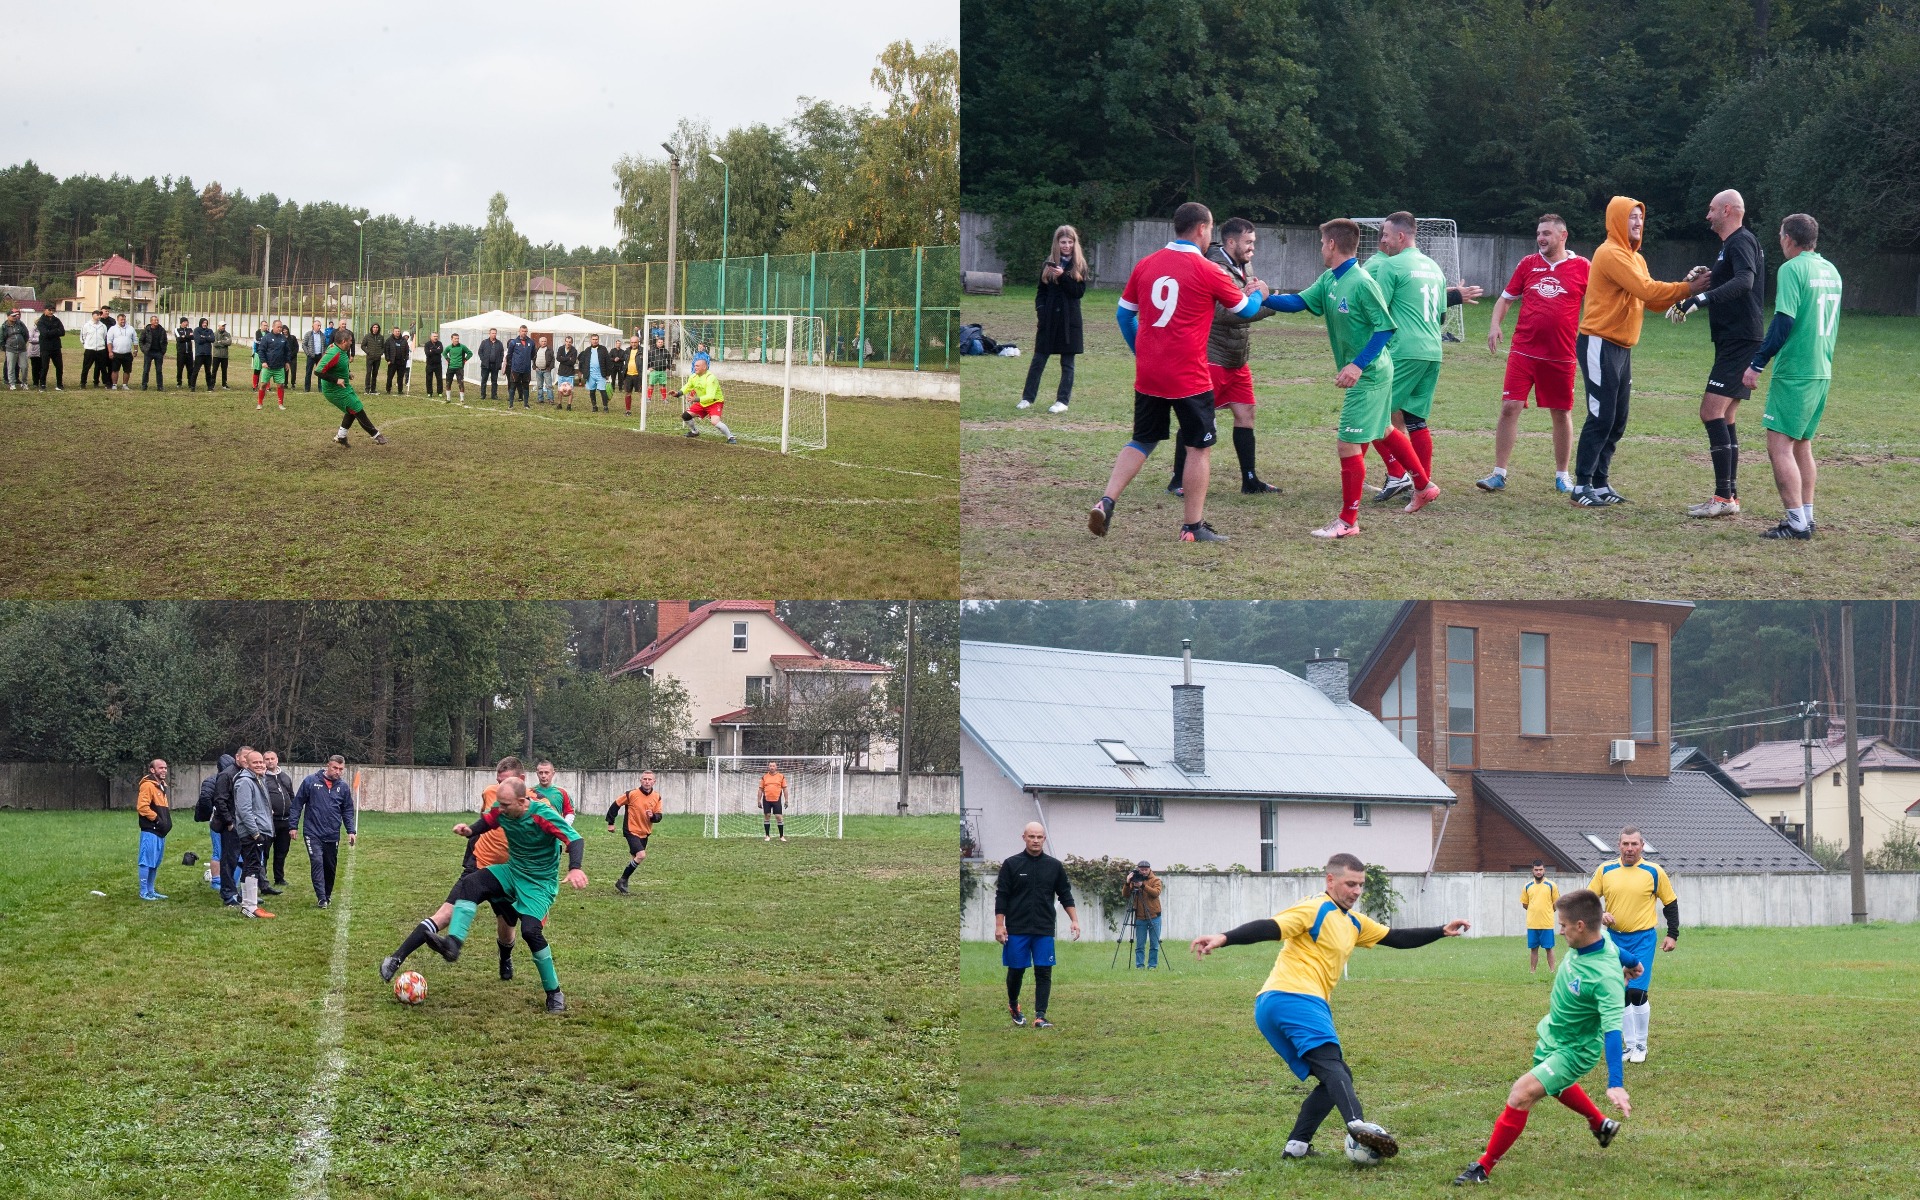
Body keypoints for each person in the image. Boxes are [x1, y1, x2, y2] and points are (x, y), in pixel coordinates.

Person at [1190, 852, 1469, 1162]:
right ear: (1331, 880)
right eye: (1351, 883)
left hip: (1276, 1004)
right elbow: (1270, 927)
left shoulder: (1352, 921)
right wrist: (1224, 937)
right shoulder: (1315, 908)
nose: (1357, 891)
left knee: (1334, 1076)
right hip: (1295, 998)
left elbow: (1396, 937)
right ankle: (1358, 1125)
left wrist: (1440, 930)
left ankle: (1297, 1145)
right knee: (1333, 1066)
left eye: (1361, 885)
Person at [1089, 201, 1269, 544]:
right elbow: (1245, 310)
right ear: (1202, 228)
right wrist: (1259, 294)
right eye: (1211, 230)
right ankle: (1192, 527)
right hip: (1189, 375)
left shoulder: (1146, 264)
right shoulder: (1208, 269)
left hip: (1150, 374)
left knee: (1143, 439)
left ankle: (1106, 500)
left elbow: (1124, 316)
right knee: (1198, 447)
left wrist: (1140, 351)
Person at [1262, 219, 1438, 538]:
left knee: (1347, 442)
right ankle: (1424, 486)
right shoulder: (1330, 279)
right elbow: (1300, 301)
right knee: (1384, 429)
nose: (1320, 248)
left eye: (1321, 243)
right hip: (1374, 372)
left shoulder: (1361, 281)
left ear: (1331, 244)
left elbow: (1385, 328)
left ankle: (1348, 521)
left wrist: (1356, 365)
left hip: (1370, 373)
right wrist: (1265, 298)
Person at [1452, 888, 1637, 1185]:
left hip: (1575, 1049)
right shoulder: (1600, 941)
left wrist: (1615, 1083)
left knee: (1522, 1093)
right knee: (1554, 1085)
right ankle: (1599, 1123)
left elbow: (1614, 1030)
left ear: (1580, 926)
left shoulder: (1605, 978)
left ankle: (1483, 1168)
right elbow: (1619, 950)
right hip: (1554, 1034)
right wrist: (1634, 962)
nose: (1559, 930)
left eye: (1563, 925)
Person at [378, 777, 586, 1013]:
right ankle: (453, 945)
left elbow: (575, 839)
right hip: (512, 871)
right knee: (472, 883)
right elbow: (488, 820)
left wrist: (575, 867)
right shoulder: (502, 809)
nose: (501, 809)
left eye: (506, 805)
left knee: (530, 932)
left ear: (522, 801)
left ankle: (554, 992)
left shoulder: (543, 815)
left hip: (539, 883)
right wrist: (470, 830)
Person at [1571, 197, 1710, 507]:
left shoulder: (1637, 259)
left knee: (1618, 418)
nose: (1637, 223)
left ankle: (1600, 482)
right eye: (1631, 217)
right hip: (1599, 342)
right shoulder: (1610, 253)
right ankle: (1581, 486)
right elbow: (1648, 290)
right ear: (1617, 220)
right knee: (1601, 415)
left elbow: (1654, 301)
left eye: (1640, 218)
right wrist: (1689, 288)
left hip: (1621, 348)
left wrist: (1685, 287)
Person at [1363, 212, 1483, 501]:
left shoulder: (1391, 266)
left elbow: (1378, 310)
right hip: (1433, 351)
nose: (1383, 241)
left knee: (1375, 416)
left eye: (1387, 236)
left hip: (1405, 349)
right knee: (1415, 419)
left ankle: (1401, 476)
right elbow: (1441, 316)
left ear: (1401, 237)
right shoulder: (1434, 267)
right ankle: (1420, 483)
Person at [1666, 190, 1766, 519]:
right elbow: (1733, 280)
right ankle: (1729, 496)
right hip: (1734, 338)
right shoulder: (1731, 245)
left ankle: (1723, 497)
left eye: (1711, 210)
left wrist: (1700, 300)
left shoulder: (1740, 241)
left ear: (1727, 210)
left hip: (1740, 339)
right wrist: (1706, 280)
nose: (1707, 216)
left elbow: (1745, 281)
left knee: (1710, 412)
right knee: (1726, 416)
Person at [1743, 213, 1842, 541]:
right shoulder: (1831, 270)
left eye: (1781, 235)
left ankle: (1796, 523)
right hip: (1821, 370)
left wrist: (1757, 363)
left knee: (1779, 446)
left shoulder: (1791, 269)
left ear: (1788, 238)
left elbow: (1783, 321)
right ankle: (1807, 517)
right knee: (1802, 445)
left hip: (1795, 372)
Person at [1168, 217, 1280, 497]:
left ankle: (1250, 480)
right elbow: (1224, 314)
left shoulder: (1242, 264)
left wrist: (1260, 298)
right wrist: (1268, 303)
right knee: (1198, 419)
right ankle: (1177, 480)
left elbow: (1247, 297)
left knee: (1246, 414)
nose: (1253, 247)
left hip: (1237, 358)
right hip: (1213, 356)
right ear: (1231, 242)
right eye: (1248, 242)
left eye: (1254, 242)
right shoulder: (1215, 267)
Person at [1589, 826, 1677, 1063]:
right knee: (1621, 993)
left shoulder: (1654, 871)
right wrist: (1601, 914)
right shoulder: (1605, 870)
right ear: (1619, 845)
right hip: (1615, 940)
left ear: (1642, 845)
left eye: (1634, 844)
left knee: (1637, 991)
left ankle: (1642, 1044)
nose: (1630, 849)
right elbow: (1587, 901)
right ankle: (1629, 1045)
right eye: (1625, 844)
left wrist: (1672, 934)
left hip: (1644, 939)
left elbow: (1670, 904)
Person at [994, 822, 1079, 1029]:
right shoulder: (1011, 864)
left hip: (1043, 928)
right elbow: (1002, 896)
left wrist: (1074, 920)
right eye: (1031, 836)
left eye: (1039, 837)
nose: (1035, 840)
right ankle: (1014, 1005)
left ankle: (1040, 1016)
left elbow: (1065, 895)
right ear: (1024, 837)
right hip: (1017, 928)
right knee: (1016, 971)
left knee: (1043, 971)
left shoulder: (1054, 866)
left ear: (1044, 839)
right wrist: (999, 925)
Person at [1019, 224, 1087, 413]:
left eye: (1070, 242)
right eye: (1063, 242)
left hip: (1069, 322)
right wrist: (1041, 311)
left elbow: (1078, 293)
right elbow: (1041, 292)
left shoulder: (1079, 265)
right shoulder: (1047, 264)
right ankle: (1027, 398)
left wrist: (1063, 276)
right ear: (1057, 243)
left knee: (1067, 363)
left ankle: (1062, 401)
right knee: (1038, 360)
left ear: (1074, 244)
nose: (1066, 246)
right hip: (1048, 321)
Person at [292, 754, 358, 908]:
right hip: (312, 832)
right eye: (335, 768)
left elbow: (347, 810)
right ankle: (321, 897)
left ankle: (327, 895)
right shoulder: (310, 781)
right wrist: (293, 826)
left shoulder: (343, 787)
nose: (338, 771)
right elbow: (297, 804)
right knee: (317, 862)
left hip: (332, 833)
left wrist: (351, 830)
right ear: (328, 765)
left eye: (341, 769)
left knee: (330, 865)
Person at [314, 327, 388, 446]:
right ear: (344, 341)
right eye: (350, 341)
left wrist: (347, 373)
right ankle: (376, 435)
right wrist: (336, 380)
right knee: (356, 408)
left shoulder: (340, 349)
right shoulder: (334, 352)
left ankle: (341, 436)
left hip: (344, 387)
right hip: (334, 390)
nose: (352, 343)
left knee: (352, 409)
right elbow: (318, 371)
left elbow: (336, 365)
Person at [232, 749, 277, 919]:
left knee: (252, 866)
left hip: (260, 831)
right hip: (252, 833)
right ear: (247, 764)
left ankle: (248, 905)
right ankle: (250, 906)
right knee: (252, 867)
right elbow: (244, 810)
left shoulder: (259, 779)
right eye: (255, 762)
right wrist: (256, 833)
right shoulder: (245, 782)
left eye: (261, 762)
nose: (259, 764)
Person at [605, 770, 665, 894]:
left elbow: (659, 816)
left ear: (654, 782)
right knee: (641, 855)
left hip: (645, 832)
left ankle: (623, 881)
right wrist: (611, 823)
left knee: (636, 858)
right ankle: (622, 880)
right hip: (631, 830)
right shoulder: (631, 794)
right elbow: (615, 805)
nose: (647, 781)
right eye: (645, 779)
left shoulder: (657, 797)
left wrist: (652, 816)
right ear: (640, 780)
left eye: (649, 779)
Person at [679, 352, 738, 442]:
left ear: (704, 367)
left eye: (697, 366)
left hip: (715, 402)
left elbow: (711, 396)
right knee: (686, 416)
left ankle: (730, 437)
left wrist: (695, 399)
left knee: (715, 422)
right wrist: (678, 393)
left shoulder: (711, 378)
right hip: (703, 402)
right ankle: (694, 432)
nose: (695, 367)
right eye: (695, 366)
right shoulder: (693, 377)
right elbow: (687, 387)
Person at [135, 758, 172, 901]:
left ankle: (151, 890)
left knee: (155, 862)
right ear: (152, 770)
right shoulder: (147, 786)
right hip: (151, 830)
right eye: (160, 768)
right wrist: (157, 820)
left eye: (165, 768)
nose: (164, 770)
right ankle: (143, 892)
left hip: (160, 832)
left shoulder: (161, 786)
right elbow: (142, 807)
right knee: (146, 861)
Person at [261, 750, 296, 892]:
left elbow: (292, 797)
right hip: (269, 822)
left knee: (282, 851)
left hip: (285, 821)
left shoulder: (285, 777)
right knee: (265, 851)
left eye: (272, 758)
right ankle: (262, 879)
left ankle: (279, 878)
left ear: (277, 760)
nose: (270, 761)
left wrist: (293, 813)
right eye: (267, 759)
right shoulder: (262, 778)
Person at [1122, 860, 1163, 968]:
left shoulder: (1156, 880)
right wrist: (1127, 882)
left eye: (1146, 869)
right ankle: (1139, 966)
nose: (1144, 872)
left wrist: (1142, 886)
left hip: (1154, 916)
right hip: (1140, 917)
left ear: (1149, 869)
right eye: (1141, 870)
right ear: (1138, 869)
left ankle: (1152, 966)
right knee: (1140, 944)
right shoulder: (1134, 880)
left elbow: (1156, 893)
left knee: (1154, 944)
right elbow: (1125, 895)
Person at [1522, 861, 1558, 972]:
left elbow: (1556, 903)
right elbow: (1525, 904)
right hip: (1532, 923)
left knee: (1549, 948)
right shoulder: (1527, 886)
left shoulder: (1551, 885)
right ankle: (1532, 971)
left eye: (1540, 869)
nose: (1538, 872)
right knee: (1533, 949)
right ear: (1532, 871)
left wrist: (1546, 912)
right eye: (1536, 870)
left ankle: (1552, 971)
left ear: (1544, 870)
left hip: (1547, 923)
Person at [257, 320, 294, 411]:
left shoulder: (283, 338)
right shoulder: (267, 337)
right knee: (263, 385)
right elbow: (261, 350)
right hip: (268, 367)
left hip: (279, 367)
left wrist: (287, 362)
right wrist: (263, 362)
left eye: (281, 327)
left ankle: (280, 404)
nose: (280, 329)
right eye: (278, 327)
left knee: (280, 385)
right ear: (273, 327)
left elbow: (287, 352)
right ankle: (260, 403)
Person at [531, 759, 576, 824]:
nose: (543, 776)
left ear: (553, 774)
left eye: (546, 772)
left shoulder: (562, 792)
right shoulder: (530, 792)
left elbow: (570, 812)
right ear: (537, 774)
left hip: (555, 832)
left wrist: (563, 827)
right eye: (540, 773)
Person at [77, 309, 109, 388]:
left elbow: (105, 336)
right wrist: (87, 345)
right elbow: (83, 337)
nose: (99, 316)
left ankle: (103, 383)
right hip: (90, 349)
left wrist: (101, 345)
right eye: (97, 315)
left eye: (100, 315)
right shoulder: (86, 325)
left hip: (101, 349)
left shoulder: (103, 326)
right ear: (93, 315)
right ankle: (83, 383)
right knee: (86, 367)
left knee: (102, 367)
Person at [35, 308, 65, 390]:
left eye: (53, 310)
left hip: (56, 347)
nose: (51, 312)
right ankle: (42, 384)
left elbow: (62, 332)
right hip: (45, 347)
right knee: (45, 367)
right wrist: (56, 330)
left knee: (59, 366)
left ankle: (59, 384)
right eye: (49, 310)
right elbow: (45, 334)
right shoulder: (41, 321)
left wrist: (50, 331)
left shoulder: (57, 320)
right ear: (45, 310)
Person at [757, 761, 788, 841]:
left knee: (779, 817)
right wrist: (759, 800)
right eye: (770, 766)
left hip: (776, 799)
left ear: (776, 767)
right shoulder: (764, 777)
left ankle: (781, 836)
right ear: (768, 767)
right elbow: (760, 789)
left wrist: (786, 800)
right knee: (767, 816)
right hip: (766, 799)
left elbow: (785, 789)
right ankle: (767, 836)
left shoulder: (781, 776)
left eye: (773, 766)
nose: (772, 767)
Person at [582, 332, 612, 413]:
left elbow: (608, 362)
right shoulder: (587, 350)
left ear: (598, 340)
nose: (595, 341)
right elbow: (583, 361)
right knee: (592, 391)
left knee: (603, 391)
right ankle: (594, 406)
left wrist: (607, 374)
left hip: (601, 374)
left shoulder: (603, 349)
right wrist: (584, 373)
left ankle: (605, 407)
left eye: (596, 339)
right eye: (593, 339)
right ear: (590, 340)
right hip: (590, 375)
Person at [506, 325, 535, 406]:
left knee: (526, 386)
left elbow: (533, 354)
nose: (524, 333)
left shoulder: (531, 342)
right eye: (523, 331)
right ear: (519, 331)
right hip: (516, 369)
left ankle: (526, 404)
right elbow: (509, 355)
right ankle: (511, 404)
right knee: (513, 385)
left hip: (526, 369)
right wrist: (514, 363)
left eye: (526, 331)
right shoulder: (513, 342)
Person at [645, 330, 674, 410]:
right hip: (654, 371)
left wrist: (668, 367)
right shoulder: (652, 351)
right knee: (651, 384)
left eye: (661, 342)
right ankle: (649, 398)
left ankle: (664, 399)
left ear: (663, 343)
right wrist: (649, 367)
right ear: (656, 343)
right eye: (659, 342)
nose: (660, 343)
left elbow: (670, 359)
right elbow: (648, 359)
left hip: (662, 371)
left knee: (663, 385)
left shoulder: (665, 351)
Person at [107, 313, 137, 389]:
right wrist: (110, 352)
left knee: (127, 370)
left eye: (124, 319)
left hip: (127, 353)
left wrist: (135, 350)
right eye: (121, 320)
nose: (123, 321)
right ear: (117, 320)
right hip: (116, 353)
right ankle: (114, 385)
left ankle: (125, 385)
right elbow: (109, 341)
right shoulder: (113, 329)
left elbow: (135, 340)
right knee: (115, 370)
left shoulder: (131, 328)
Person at [139, 316, 169, 390]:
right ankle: (144, 385)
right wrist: (144, 349)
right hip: (148, 352)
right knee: (146, 370)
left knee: (159, 370)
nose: (156, 321)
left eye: (157, 320)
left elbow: (165, 341)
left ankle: (160, 386)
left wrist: (163, 351)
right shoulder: (146, 330)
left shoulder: (162, 330)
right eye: (155, 320)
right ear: (151, 321)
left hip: (158, 352)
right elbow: (141, 341)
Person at [2, 309, 30, 389]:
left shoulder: (20, 324)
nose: (15, 317)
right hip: (10, 349)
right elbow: (2, 338)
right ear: (8, 316)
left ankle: (24, 382)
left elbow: (26, 334)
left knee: (24, 367)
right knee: (10, 367)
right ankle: (12, 383)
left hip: (22, 349)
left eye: (16, 315)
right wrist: (5, 347)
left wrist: (22, 343)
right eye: (13, 316)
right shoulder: (4, 326)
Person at [477, 327, 504, 399]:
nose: (494, 335)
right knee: (484, 380)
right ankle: (483, 395)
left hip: (495, 365)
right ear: (489, 334)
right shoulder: (484, 342)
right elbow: (480, 352)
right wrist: (483, 360)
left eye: (495, 333)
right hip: (485, 365)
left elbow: (502, 353)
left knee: (494, 381)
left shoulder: (499, 343)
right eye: (492, 333)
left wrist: (500, 361)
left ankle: (494, 395)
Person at [303, 318, 330, 391]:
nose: (319, 327)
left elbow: (325, 345)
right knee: (308, 372)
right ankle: (307, 388)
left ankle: (321, 388)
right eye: (318, 325)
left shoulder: (322, 335)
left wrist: (324, 354)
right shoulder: (308, 334)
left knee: (320, 372)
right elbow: (304, 344)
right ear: (313, 326)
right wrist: (308, 353)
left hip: (320, 356)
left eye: (320, 326)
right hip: (311, 356)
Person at [444, 332, 473, 400]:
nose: (457, 340)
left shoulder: (462, 347)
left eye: (458, 338)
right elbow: (444, 353)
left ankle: (462, 399)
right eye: (455, 338)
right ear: (452, 339)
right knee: (448, 382)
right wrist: (447, 358)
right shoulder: (449, 347)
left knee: (460, 383)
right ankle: (448, 398)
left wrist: (465, 359)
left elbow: (470, 353)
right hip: (450, 367)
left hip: (459, 368)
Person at [617, 336, 641, 412]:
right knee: (627, 393)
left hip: (638, 376)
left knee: (641, 393)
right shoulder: (627, 351)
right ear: (630, 343)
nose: (633, 344)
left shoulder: (643, 351)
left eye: (635, 342)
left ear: (638, 342)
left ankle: (643, 412)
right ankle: (628, 410)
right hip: (628, 375)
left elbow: (649, 360)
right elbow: (622, 359)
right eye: (632, 342)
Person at [384, 326, 410, 394]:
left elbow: (407, 350)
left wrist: (406, 359)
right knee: (390, 376)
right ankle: (388, 390)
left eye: (398, 331)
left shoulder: (404, 340)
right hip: (392, 362)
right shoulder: (389, 340)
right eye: (396, 331)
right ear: (393, 332)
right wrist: (388, 360)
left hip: (401, 362)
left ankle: (400, 390)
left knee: (400, 377)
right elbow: (386, 351)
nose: (398, 332)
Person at [554, 335, 578, 409]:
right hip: (561, 373)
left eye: (570, 342)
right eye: (567, 342)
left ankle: (569, 405)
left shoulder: (574, 350)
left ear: (572, 343)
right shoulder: (561, 348)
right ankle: (559, 404)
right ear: (565, 342)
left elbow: (572, 362)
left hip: (570, 373)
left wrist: (563, 359)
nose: (568, 343)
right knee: (560, 390)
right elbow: (558, 358)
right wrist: (568, 358)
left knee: (570, 390)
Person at [531, 334, 556, 404]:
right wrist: (534, 367)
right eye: (542, 341)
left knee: (549, 386)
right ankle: (540, 399)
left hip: (546, 370)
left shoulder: (549, 350)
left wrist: (550, 368)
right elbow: (534, 359)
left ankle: (550, 399)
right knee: (539, 386)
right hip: (538, 370)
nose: (544, 342)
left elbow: (552, 360)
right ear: (539, 342)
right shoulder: (537, 349)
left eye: (545, 341)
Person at [173, 316, 195, 388]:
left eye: (187, 322)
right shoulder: (177, 329)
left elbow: (192, 337)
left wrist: (184, 336)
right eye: (185, 322)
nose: (186, 323)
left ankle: (190, 383)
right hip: (181, 353)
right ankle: (179, 382)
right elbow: (179, 339)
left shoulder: (190, 329)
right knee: (180, 368)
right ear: (181, 323)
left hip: (189, 352)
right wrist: (186, 336)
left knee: (190, 368)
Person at [192, 318, 214, 388]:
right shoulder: (197, 330)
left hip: (208, 354)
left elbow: (213, 339)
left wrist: (203, 336)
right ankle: (192, 386)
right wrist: (207, 338)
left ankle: (209, 387)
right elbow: (198, 340)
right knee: (195, 371)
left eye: (206, 323)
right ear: (201, 323)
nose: (205, 324)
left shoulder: (210, 330)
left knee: (208, 371)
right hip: (199, 354)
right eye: (204, 323)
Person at [209, 323, 232, 388]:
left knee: (224, 370)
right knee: (214, 370)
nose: (223, 327)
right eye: (222, 326)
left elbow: (229, 342)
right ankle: (212, 384)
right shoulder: (214, 334)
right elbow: (215, 343)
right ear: (219, 326)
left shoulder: (227, 334)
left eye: (224, 326)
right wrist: (224, 343)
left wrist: (220, 342)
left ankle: (224, 384)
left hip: (225, 356)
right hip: (216, 355)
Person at [423, 331, 444, 397]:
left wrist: (432, 350)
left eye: (437, 336)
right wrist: (435, 350)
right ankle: (429, 392)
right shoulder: (427, 344)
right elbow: (427, 353)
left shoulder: (439, 343)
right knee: (429, 379)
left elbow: (440, 351)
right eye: (434, 336)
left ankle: (439, 392)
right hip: (430, 364)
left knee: (439, 379)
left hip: (438, 364)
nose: (436, 338)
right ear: (431, 337)